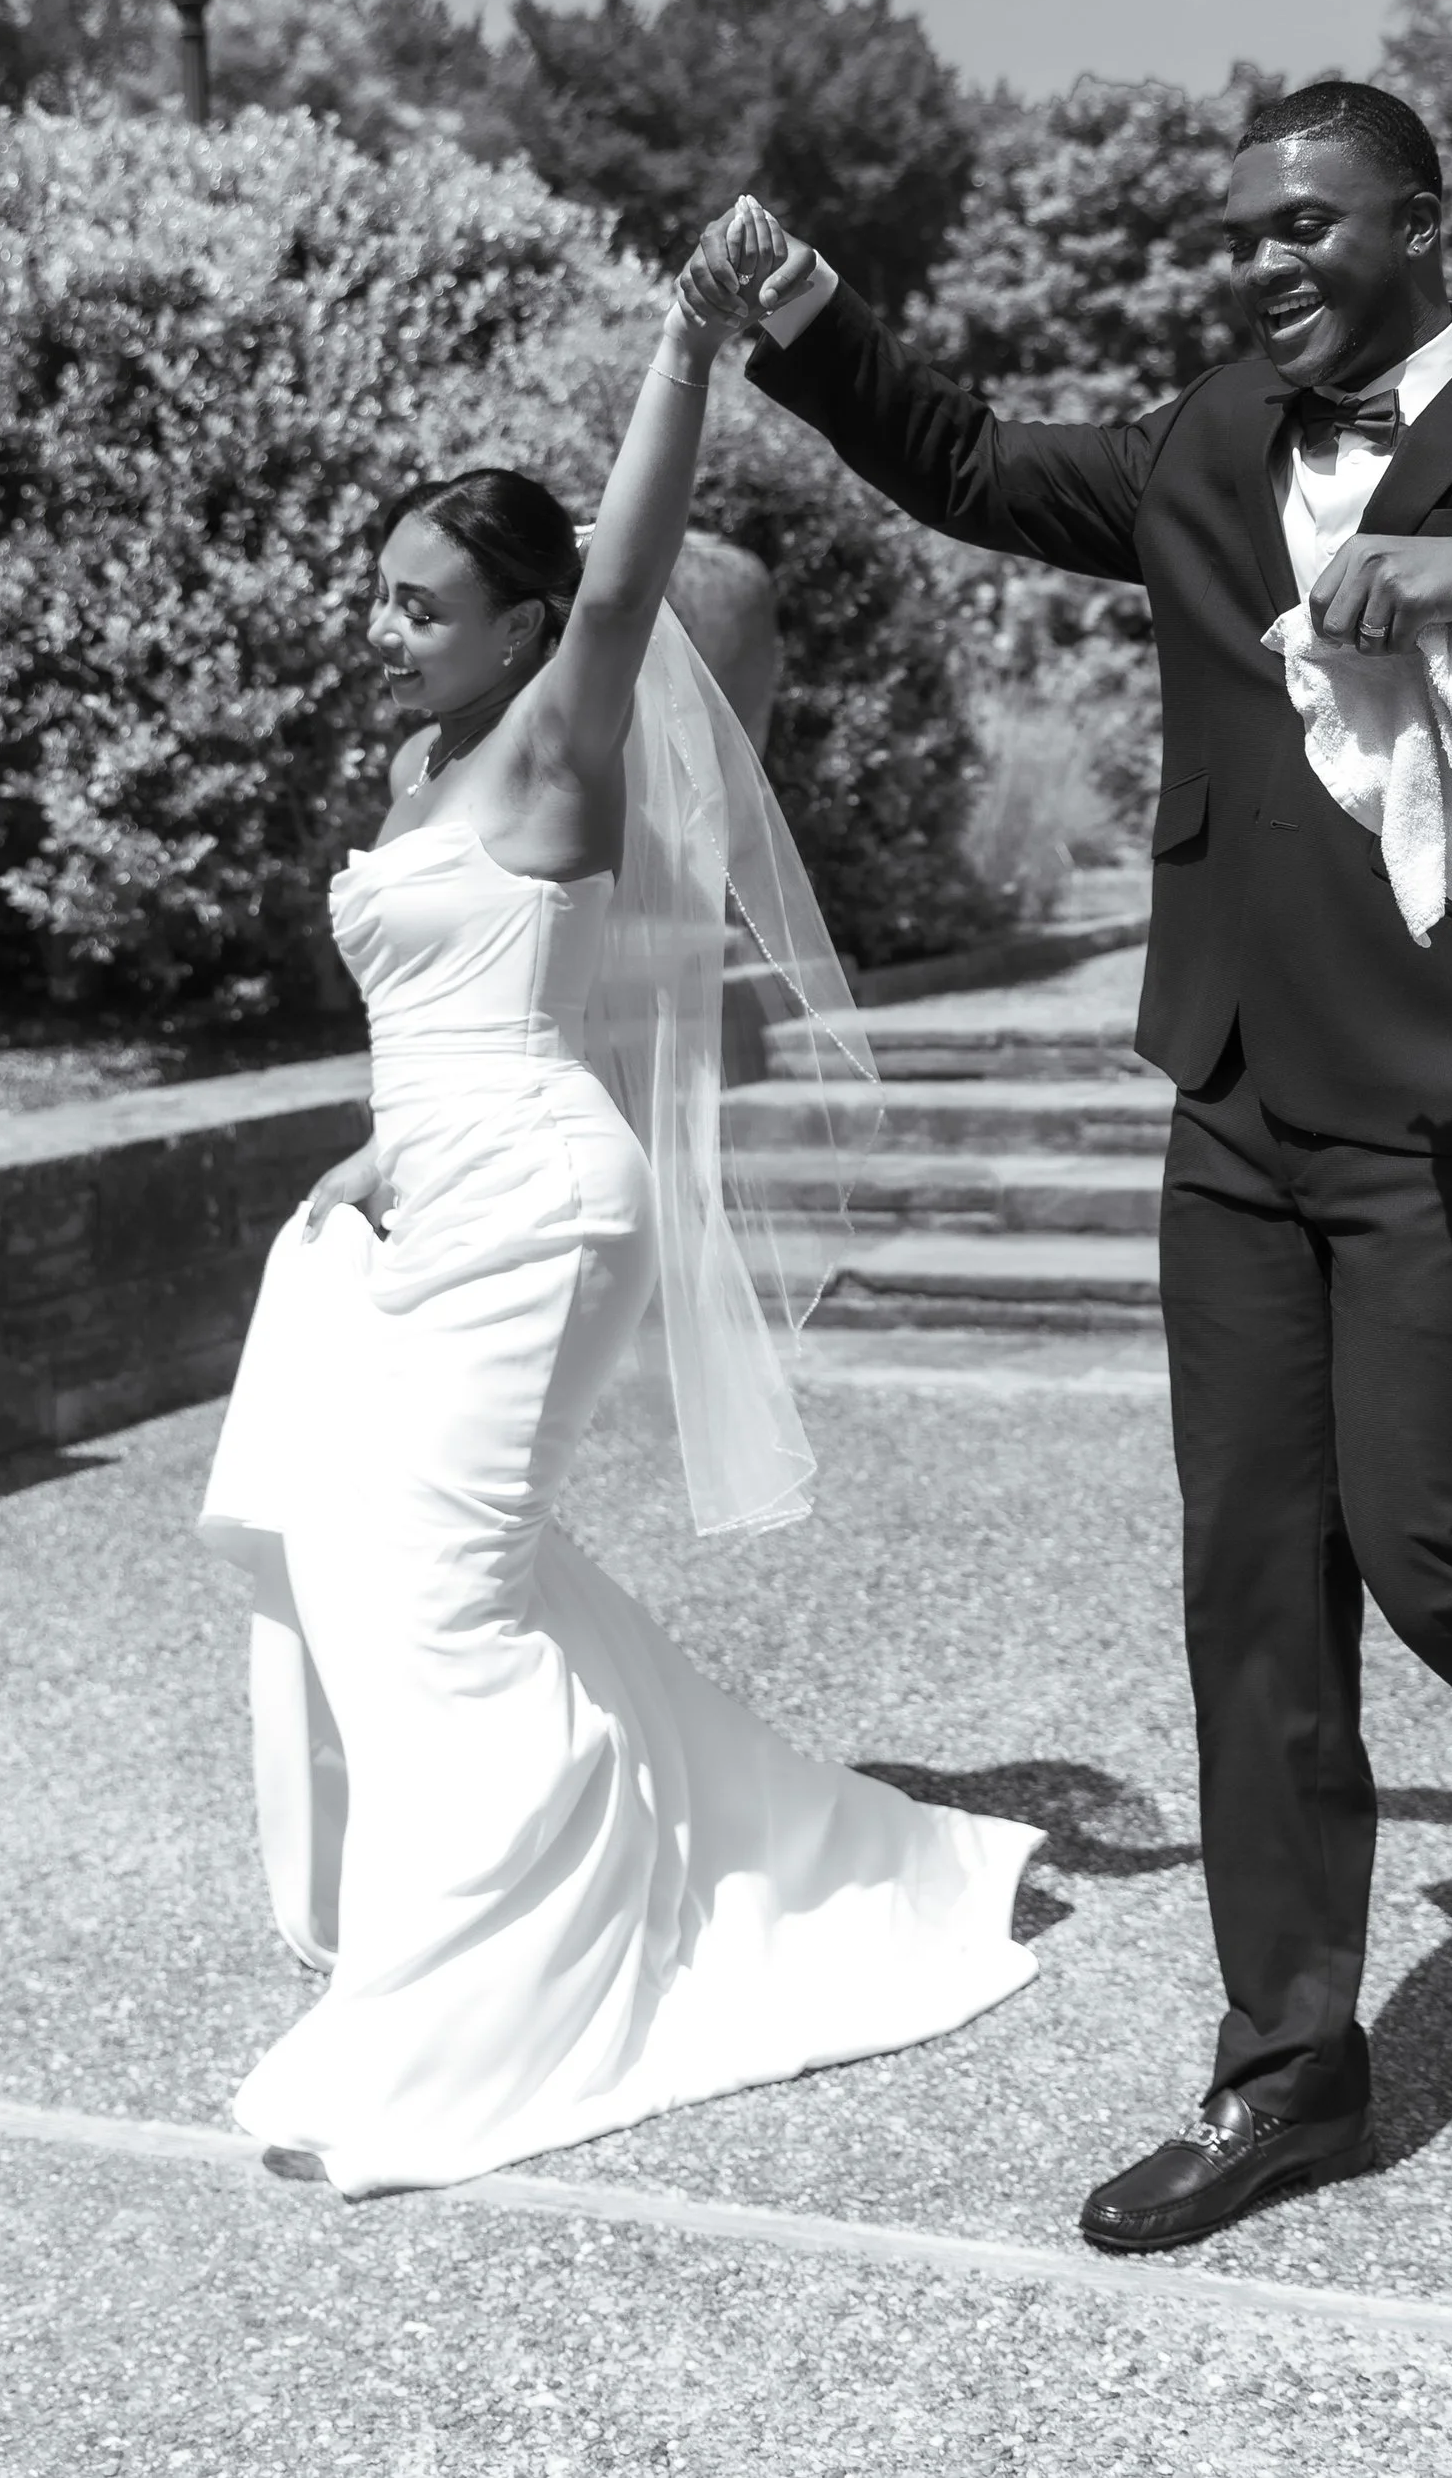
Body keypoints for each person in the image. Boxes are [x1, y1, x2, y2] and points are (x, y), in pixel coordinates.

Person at [685, 79, 1452, 2254]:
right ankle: (1284, 2065)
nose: (1267, 259)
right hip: (1234, 1094)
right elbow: (968, 463)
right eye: (1245, 233)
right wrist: (808, 308)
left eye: (1307, 222)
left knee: (1444, 1550)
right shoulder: (1213, 435)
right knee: (1252, 1583)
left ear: (1417, 217)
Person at [198, 200, 1040, 2198]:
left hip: (542, 1211)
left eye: (419, 603)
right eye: (379, 592)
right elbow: (441, 998)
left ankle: (475, 2012)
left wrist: (687, 337)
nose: (382, 627)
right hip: (435, 1186)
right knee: (363, 1557)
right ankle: (809, 1847)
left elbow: (627, 567)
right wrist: (378, 1135)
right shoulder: (414, 768)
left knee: (432, 1588)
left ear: (511, 624)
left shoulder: (550, 740)